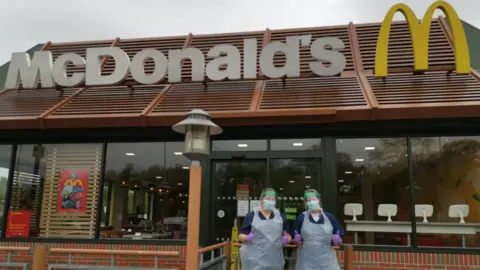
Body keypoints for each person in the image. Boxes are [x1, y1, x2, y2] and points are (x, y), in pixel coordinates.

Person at [239, 188, 292, 270]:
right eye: (267, 198)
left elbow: (287, 234)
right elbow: (240, 236)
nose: (270, 201)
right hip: (255, 261)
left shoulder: (280, 217)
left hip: (275, 261)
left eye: (273, 199)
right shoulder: (252, 216)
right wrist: (246, 238)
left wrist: (287, 239)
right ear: (261, 199)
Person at [293, 189, 344, 270]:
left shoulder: (330, 218)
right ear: (305, 203)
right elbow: (296, 238)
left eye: (314, 199)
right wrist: (296, 239)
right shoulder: (301, 218)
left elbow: (338, 233)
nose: (311, 202)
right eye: (308, 200)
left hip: (327, 260)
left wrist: (337, 239)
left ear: (318, 200)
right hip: (307, 260)